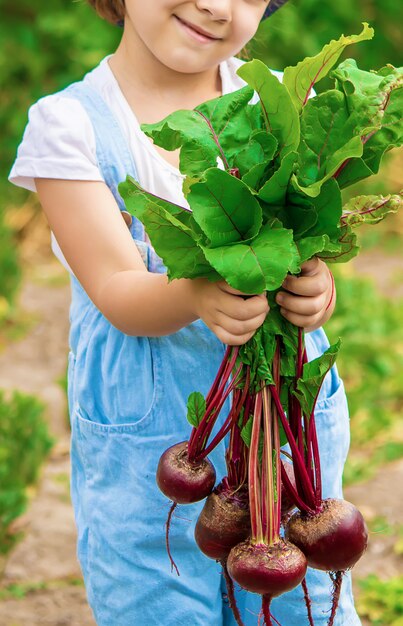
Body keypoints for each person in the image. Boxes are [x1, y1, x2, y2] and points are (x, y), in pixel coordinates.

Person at [9, 1, 362, 624]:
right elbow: (116, 287)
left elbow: (307, 242)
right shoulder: (71, 126)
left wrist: (315, 290)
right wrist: (196, 296)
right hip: (151, 448)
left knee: (306, 601)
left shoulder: (276, 101)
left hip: (286, 441)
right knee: (155, 594)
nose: (216, 5)